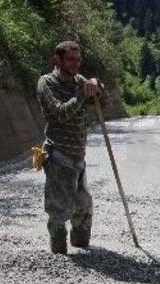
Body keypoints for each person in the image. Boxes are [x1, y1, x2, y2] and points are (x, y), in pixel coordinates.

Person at [36, 40, 106, 254]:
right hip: (58, 155)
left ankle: (81, 244)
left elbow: (101, 104)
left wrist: (98, 87)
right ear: (57, 60)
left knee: (84, 205)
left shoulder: (79, 81)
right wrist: (83, 93)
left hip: (79, 155)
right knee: (58, 209)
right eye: (71, 59)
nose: (76, 64)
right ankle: (58, 253)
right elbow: (60, 112)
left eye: (78, 59)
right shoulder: (46, 83)